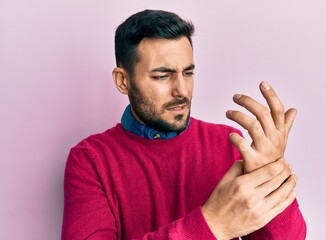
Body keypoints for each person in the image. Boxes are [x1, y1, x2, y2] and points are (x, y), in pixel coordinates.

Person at [62, 9, 306, 239]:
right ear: (123, 80)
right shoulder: (90, 159)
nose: (181, 90)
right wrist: (212, 225)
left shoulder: (229, 142)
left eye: (188, 73)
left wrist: (271, 175)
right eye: (162, 76)